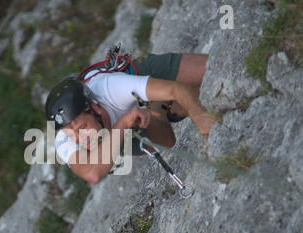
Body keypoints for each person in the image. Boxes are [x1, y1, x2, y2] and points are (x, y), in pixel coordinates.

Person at [45, 52, 216, 185]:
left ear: (95, 107)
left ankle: (159, 98)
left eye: (83, 127)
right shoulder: (63, 138)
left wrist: (202, 121)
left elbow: (177, 88)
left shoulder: (111, 88)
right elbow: (93, 174)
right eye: (71, 134)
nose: (80, 138)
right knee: (163, 139)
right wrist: (123, 123)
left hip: (134, 75)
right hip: (117, 129)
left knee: (214, 68)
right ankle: (160, 103)